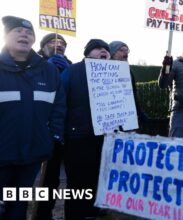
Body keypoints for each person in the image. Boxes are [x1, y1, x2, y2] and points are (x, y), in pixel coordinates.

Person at [0, 16, 66, 220]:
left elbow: (59, 107)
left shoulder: (49, 71)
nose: (24, 34)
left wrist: (52, 136)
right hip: (1, 154)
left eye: (29, 33)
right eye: (17, 31)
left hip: (34, 153)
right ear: (5, 36)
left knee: (20, 202)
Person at [61, 39, 110, 219]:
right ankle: (74, 215)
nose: (104, 51)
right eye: (98, 48)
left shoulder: (114, 73)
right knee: (77, 181)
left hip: (104, 137)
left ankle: (91, 213)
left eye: (106, 49)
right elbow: (60, 100)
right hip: (78, 136)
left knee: (97, 177)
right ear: (88, 53)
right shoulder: (72, 71)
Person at [35, 33, 72, 220]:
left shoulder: (70, 65)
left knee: (51, 178)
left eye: (63, 43)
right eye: (53, 42)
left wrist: (68, 73)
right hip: (35, 131)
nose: (59, 45)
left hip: (60, 131)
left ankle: (44, 214)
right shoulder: (32, 63)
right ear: (43, 47)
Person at [109, 40, 148, 126]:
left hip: (125, 117)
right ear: (112, 53)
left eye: (127, 50)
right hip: (108, 117)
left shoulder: (128, 72)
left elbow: (133, 94)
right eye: (122, 50)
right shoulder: (101, 71)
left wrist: (139, 112)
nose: (126, 53)